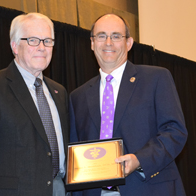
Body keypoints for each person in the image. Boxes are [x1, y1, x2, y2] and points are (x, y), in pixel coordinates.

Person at [69, 14, 187, 196]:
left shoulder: (156, 78)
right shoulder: (77, 96)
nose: (108, 42)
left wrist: (139, 160)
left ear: (129, 43)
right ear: (92, 43)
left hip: (148, 187)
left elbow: (175, 131)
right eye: (101, 36)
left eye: (116, 36)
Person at [0, 13, 69, 196]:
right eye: (33, 40)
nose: (42, 47)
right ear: (15, 46)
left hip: (60, 190)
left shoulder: (59, 92)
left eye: (47, 41)